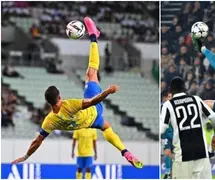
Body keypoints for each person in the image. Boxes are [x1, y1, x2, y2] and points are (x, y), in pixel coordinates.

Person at [11, 17, 143, 169]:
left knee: (106, 126)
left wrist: (25, 156)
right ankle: (94, 36)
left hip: (89, 123)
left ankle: (126, 152)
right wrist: (108, 91)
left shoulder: (49, 121)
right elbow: (91, 102)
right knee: (91, 73)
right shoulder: (69, 104)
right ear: (59, 97)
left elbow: (37, 141)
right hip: (94, 110)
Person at [160, 77, 215, 179]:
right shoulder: (196, 100)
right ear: (185, 88)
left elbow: (162, 128)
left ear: (171, 90)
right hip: (202, 154)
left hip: (183, 156)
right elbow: (214, 119)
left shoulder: (168, 105)